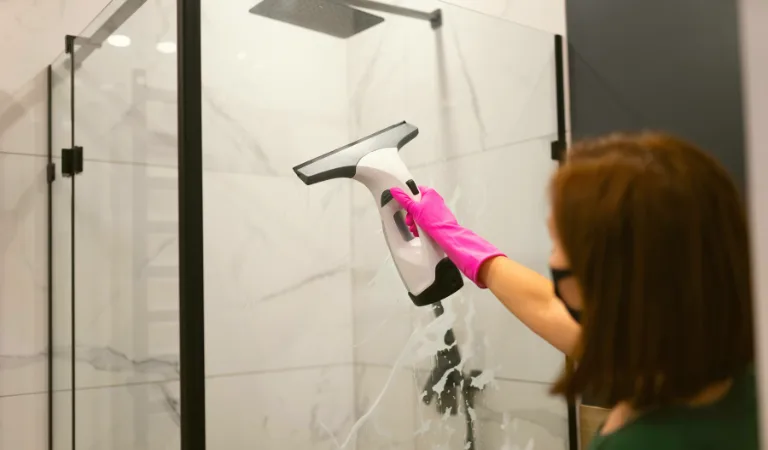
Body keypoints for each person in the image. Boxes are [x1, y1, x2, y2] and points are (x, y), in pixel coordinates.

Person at [390, 132, 758, 449]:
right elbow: (552, 309)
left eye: (557, 241)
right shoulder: (717, 374)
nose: (552, 258)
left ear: (613, 276)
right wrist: (458, 240)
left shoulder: (643, 441)